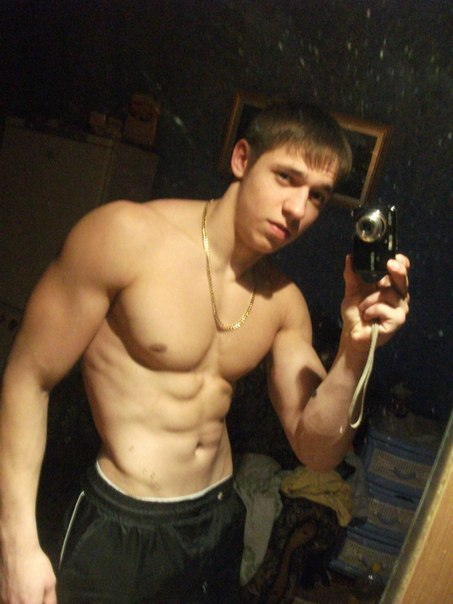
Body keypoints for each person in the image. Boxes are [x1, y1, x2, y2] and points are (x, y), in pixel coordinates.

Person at [0, 103, 410, 603]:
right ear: (242, 159)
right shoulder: (124, 236)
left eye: (317, 196)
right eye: (286, 177)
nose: (297, 209)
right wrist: (16, 543)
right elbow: (28, 377)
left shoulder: (284, 302)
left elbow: (317, 452)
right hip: (124, 519)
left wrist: (354, 348)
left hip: (217, 518)